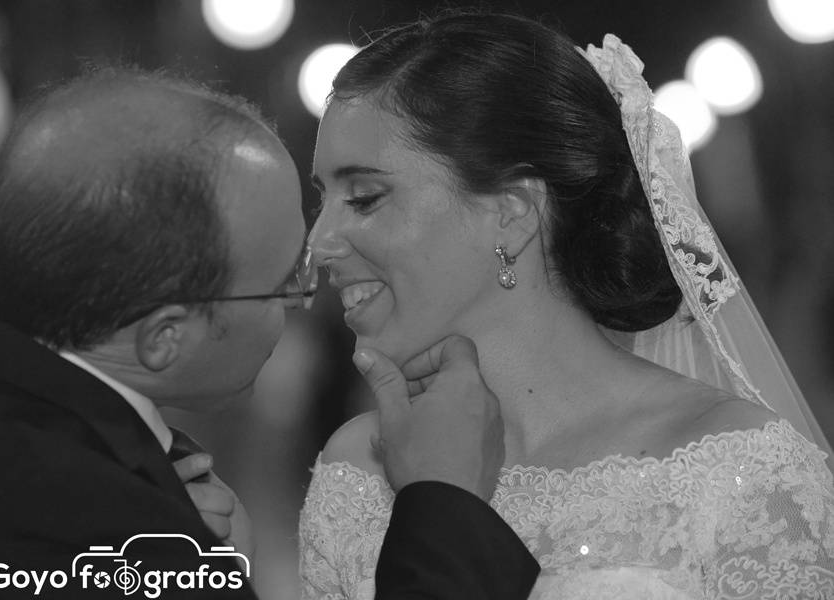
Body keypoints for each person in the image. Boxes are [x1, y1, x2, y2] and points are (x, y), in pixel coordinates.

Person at [0, 68, 539, 599]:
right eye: (279, 286)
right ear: (163, 337)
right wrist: (446, 500)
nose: (304, 301)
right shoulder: (94, 529)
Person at [299, 11, 834, 600]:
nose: (319, 242)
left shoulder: (744, 473)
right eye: (323, 199)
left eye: (365, 197)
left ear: (513, 211)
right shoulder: (356, 470)